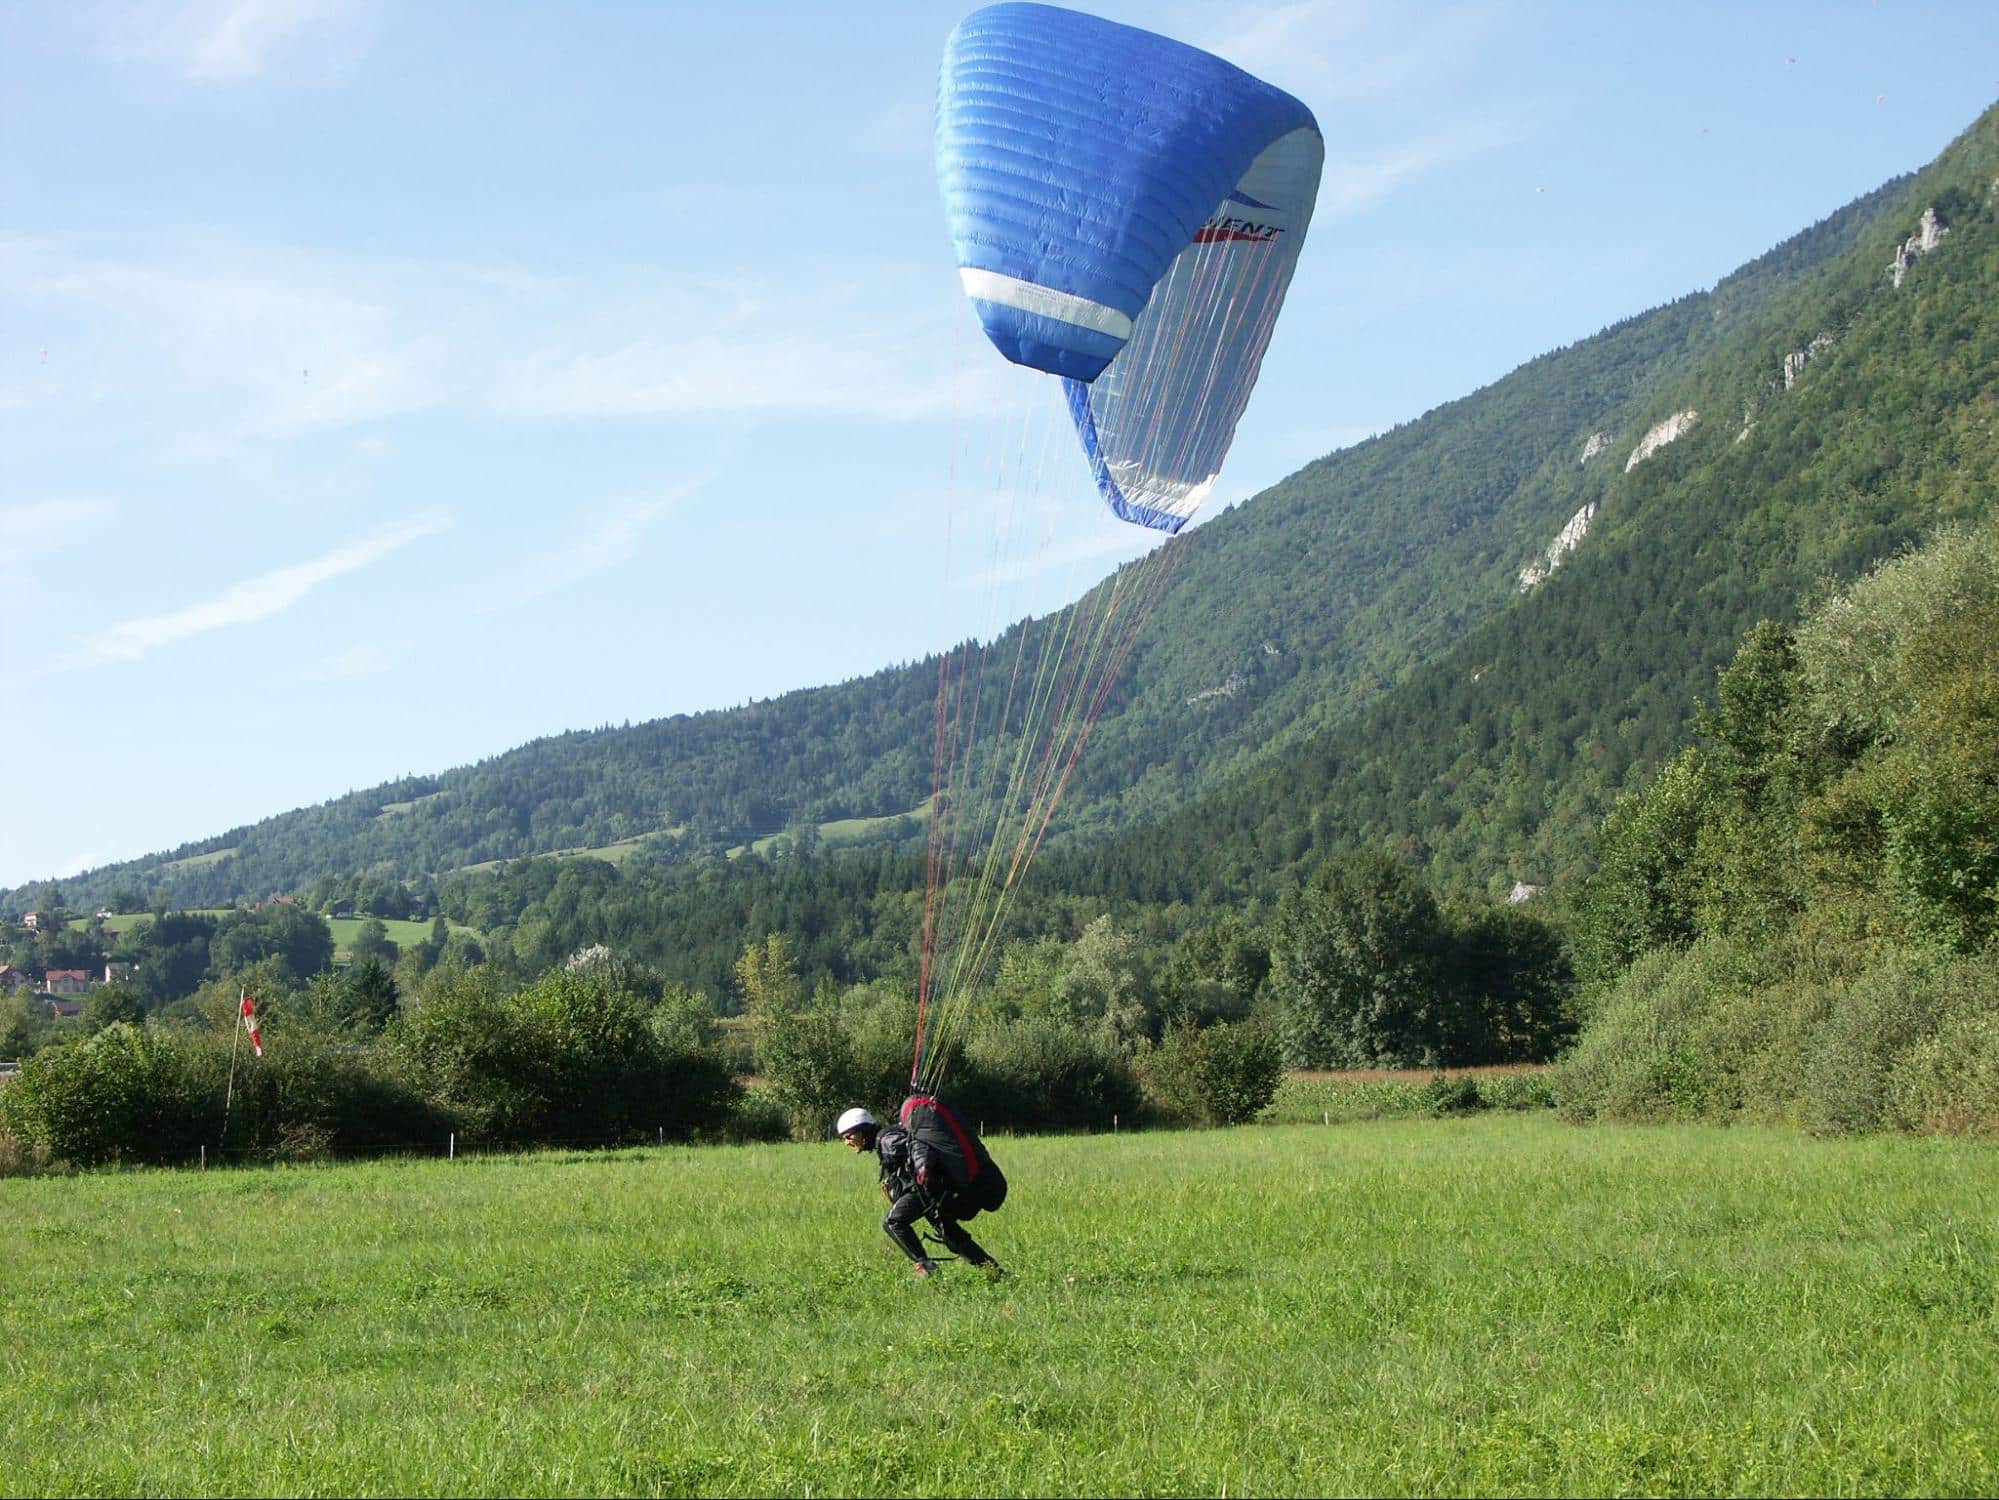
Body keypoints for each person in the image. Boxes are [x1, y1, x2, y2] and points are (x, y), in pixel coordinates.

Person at [836, 1097, 1006, 1280]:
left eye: (848, 1136)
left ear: (862, 1131)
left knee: (893, 1222)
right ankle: (996, 1273)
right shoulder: (885, 1139)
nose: (847, 1142)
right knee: (952, 1237)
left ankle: (925, 1267)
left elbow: (918, 1147)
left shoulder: (888, 1141)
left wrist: (923, 1175)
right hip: (932, 1193)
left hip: (926, 1192)